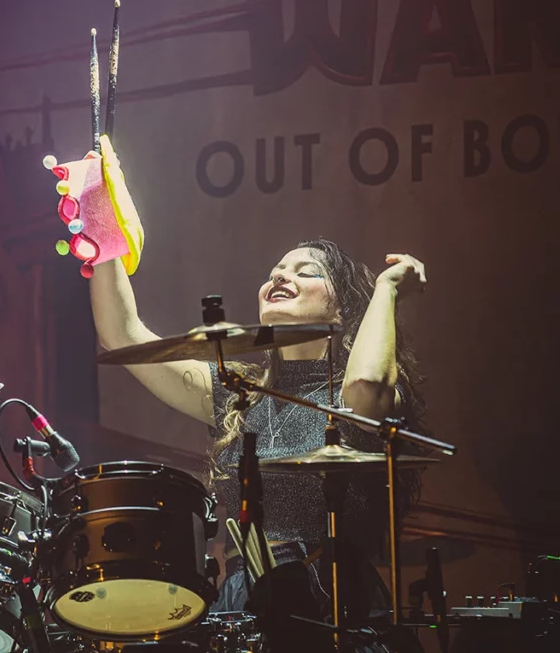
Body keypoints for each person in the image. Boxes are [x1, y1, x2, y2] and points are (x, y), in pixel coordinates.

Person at [86, 140, 429, 649]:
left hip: (336, 610)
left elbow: (363, 388)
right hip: (245, 615)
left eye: (305, 271)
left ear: (341, 311)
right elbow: (124, 336)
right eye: (274, 273)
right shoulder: (237, 398)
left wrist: (387, 289)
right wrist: (99, 216)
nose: (280, 277)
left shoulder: (365, 391)